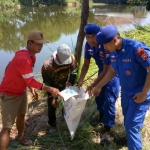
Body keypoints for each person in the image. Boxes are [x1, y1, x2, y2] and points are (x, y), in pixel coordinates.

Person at [0, 30, 62, 150]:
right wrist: (50, 89)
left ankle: (21, 137)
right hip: (9, 94)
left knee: (22, 115)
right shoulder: (23, 58)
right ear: (30, 43)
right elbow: (30, 80)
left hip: (21, 91)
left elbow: (26, 77)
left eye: (42, 44)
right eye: (38, 44)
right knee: (7, 127)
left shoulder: (31, 56)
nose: (41, 47)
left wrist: (31, 90)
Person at [93, 25, 150, 150]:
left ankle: (134, 145)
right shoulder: (113, 52)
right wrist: (99, 86)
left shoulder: (136, 48)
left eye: (105, 45)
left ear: (114, 40)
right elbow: (112, 70)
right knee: (128, 121)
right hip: (126, 93)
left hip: (140, 94)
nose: (104, 48)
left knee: (131, 126)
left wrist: (144, 93)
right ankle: (130, 139)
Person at [77, 24, 120, 144]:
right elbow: (86, 64)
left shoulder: (105, 45)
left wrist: (93, 85)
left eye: (93, 36)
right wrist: (81, 80)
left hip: (112, 73)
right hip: (102, 72)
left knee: (109, 100)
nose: (91, 40)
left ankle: (107, 129)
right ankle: (101, 118)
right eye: (87, 37)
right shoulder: (88, 46)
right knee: (98, 97)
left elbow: (107, 70)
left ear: (99, 35)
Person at [41, 44, 77, 132]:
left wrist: (70, 82)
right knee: (52, 106)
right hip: (53, 87)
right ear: (57, 56)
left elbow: (74, 71)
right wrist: (53, 97)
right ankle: (52, 125)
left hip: (65, 85)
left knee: (68, 102)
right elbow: (47, 83)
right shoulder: (47, 65)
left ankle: (65, 115)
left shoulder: (71, 57)